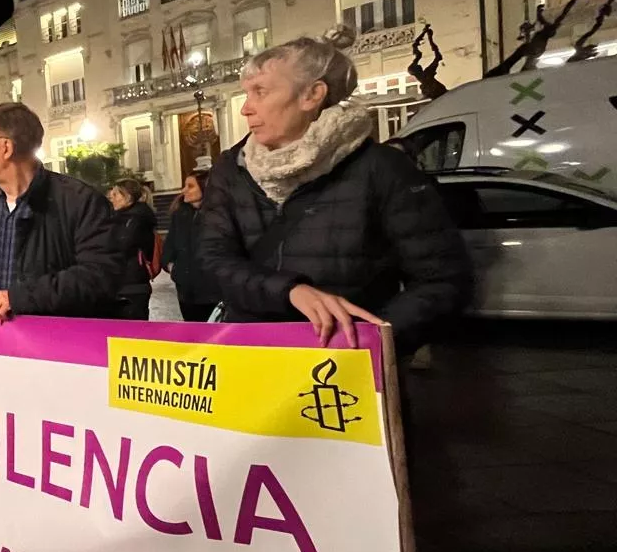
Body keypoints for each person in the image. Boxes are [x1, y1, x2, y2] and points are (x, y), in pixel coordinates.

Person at [199, 35, 472, 351]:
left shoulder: (383, 168)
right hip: (254, 357)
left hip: (344, 373)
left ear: (312, 95)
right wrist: (288, 291)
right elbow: (212, 260)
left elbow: (442, 280)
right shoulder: (231, 169)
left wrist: (367, 340)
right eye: (246, 94)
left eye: (260, 92)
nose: (246, 109)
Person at [0, 104, 121, 322]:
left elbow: (99, 277)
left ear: (6, 147)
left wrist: (21, 298)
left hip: (49, 345)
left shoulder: (80, 201)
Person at [163, 171, 221, 322]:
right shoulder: (180, 215)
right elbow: (170, 245)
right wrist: (173, 267)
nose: (184, 190)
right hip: (185, 289)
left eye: (190, 186)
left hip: (213, 290)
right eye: (185, 186)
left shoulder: (220, 215)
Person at [107, 178, 158, 320]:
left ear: (127, 197)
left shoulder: (137, 218)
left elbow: (121, 245)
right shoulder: (120, 218)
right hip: (121, 283)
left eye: (116, 194)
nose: (112, 198)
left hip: (133, 284)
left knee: (134, 331)